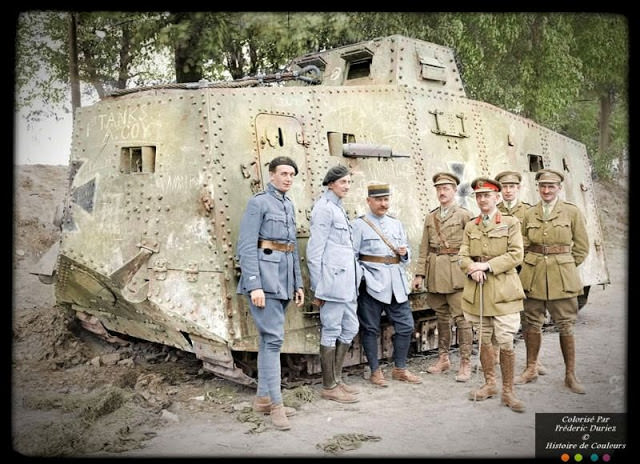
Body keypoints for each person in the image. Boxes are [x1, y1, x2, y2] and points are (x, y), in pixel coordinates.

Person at [236, 156, 305, 431]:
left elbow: (291, 247)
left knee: (268, 341)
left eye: (291, 174)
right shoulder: (259, 202)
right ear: (271, 175)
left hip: (284, 280)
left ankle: (263, 399)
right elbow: (246, 245)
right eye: (283, 173)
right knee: (274, 341)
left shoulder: (288, 204)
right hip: (265, 281)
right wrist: (254, 285)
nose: (288, 178)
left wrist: (298, 284)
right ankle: (276, 405)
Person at [515, 169, 589, 394]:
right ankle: (530, 368)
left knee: (566, 325)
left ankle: (570, 375)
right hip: (533, 275)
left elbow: (582, 247)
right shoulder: (530, 212)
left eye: (551, 186)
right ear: (538, 188)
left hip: (562, 278)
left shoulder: (571, 212)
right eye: (542, 186)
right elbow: (524, 243)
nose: (546, 190)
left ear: (559, 188)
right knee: (530, 323)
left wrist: (563, 266)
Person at [459, 177, 526, 412]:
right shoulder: (471, 225)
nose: (482, 200)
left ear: (497, 198)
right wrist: (471, 268)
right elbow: (462, 256)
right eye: (478, 196)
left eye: (487, 195)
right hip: (478, 292)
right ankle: (490, 384)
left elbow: (516, 255)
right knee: (484, 338)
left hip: (504, 292)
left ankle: (508, 391)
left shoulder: (510, 222)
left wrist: (486, 266)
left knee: (506, 340)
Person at [352, 183, 422, 387]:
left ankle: (400, 368)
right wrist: (362, 278)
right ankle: (375, 371)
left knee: (406, 326)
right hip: (371, 284)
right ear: (369, 201)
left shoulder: (396, 223)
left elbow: (406, 254)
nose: (383, 204)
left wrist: (404, 253)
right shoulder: (359, 225)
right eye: (379, 200)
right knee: (370, 329)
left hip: (396, 285)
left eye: (386, 200)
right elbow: (353, 256)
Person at [412, 172, 473, 382]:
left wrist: (473, 270)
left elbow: (472, 246)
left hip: (457, 275)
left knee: (462, 319)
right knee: (441, 317)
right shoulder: (431, 217)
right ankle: (443, 359)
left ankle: (465, 363)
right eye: (438, 189)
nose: (441, 192)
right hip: (435, 274)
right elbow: (424, 248)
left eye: (446, 188)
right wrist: (420, 274)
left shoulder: (464, 215)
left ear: (454, 191)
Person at [307, 165, 360, 404]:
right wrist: (319, 288)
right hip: (332, 283)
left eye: (349, 182)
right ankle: (329, 385)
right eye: (342, 183)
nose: (347, 186)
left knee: (350, 327)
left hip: (347, 283)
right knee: (331, 329)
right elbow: (314, 252)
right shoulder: (324, 209)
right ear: (331, 184)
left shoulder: (338, 208)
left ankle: (337, 379)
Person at [493, 170, 548, 375]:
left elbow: (532, 238)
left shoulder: (528, 211)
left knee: (529, 316)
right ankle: (497, 356)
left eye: (512, 187)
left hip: (524, 270)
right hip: (500, 271)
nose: (508, 191)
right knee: (498, 312)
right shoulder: (493, 209)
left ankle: (533, 360)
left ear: (518, 188)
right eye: (504, 187)